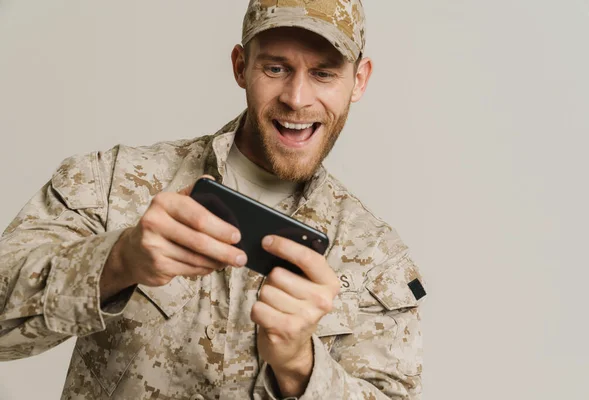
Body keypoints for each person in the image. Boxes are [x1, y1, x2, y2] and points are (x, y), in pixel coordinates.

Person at [0, 1, 427, 399]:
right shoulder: (109, 182)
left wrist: (300, 364)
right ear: (241, 67)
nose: (297, 98)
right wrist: (118, 260)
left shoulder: (378, 260)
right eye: (276, 68)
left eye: (324, 73)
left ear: (360, 79)